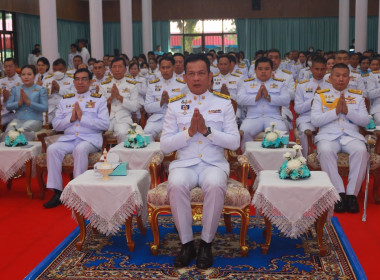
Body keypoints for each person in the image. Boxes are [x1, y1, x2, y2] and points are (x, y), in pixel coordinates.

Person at [160, 53, 240, 269]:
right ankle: (186, 243)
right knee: (175, 184)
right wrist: (188, 133)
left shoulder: (223, 103)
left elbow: (234, 142)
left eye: (201, 73)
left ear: (210, 76)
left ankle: (206, 243)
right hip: (185, 164)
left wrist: (207, 131)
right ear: (184, 77)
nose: (196, 79)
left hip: (213, 163)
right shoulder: (176, 104)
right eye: (192, 74)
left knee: (214, 185)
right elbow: (165, 145)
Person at [43, 68, 110, 208]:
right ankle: (57, 192)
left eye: (84, 79)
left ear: (90, 82)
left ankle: (78, 192)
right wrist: (71, 118)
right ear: (73, 82)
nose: (80, 82)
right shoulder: (66, 100)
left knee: (80, 149)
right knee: (53, 149)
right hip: (69, 139)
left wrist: (82, 117)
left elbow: (104, 124)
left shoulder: (98, 100)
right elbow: (56, 124)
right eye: (77, 79)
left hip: (89, 139)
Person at [311, 63, 370, 213]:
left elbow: (365, 121)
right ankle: (338, 193)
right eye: (337, 75)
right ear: (330, 78)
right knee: (325, 150)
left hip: (351, 136)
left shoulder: (357, 96)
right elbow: (315, 121)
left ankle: (351, 195)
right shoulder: (320, 95)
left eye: (344, 76)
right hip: (328, 136)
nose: (341, 79)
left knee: (361, 151)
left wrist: (347, 111)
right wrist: (335, 112)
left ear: (349, 78)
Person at [238, 57, 290, 149]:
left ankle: (280, 160)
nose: (263, 71)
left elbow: (286, 100)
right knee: (244, 130)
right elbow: (239, 99)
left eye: (267, 69)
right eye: (260, 69)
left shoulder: (280, 84)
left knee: (282, 130)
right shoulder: (246, 84)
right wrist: (256, 97)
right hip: (252, 118)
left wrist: (269, 97)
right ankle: (246, 160)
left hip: (273, 117)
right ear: (255, 70)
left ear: (271, 70)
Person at [144, 57, 187, 140]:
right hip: (158, 118)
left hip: (176, 118)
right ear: (159, 68)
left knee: (179, 134)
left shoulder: (182, 85)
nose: (165, 70)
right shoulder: (152, 85)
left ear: (173, 68)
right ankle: (152, 153)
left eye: (168, 67)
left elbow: (186, 106)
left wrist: (169, 102)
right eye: (163, 68)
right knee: (147, 132)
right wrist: (161, 103)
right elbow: (147, 108)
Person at [1, 65, 48, 141]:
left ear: (34, 76)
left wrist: (28, 102)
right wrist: (19, 103)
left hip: (35, 119)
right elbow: (8, 106)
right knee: (8, 131)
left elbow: (45, 107)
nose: (26, 77)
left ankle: (23, 150)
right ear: (20, 76)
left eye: (29, 74)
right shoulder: (15, 89)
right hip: (18, 119)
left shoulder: (40, 89)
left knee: (22, 130)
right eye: (23, 74)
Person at [99, 57, 139, 143]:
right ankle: (105, 155)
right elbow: (99, 106)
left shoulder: (132, 85)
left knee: (123, 133)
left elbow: (135, 107)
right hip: (107, 119)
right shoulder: (103, 85)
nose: (117, 69)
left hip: (123, 119)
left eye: (120, 67)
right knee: (98, 133)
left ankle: (122, 155)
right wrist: (111, 98)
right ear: (110, 70)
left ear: (125, 69)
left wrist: (119, 97)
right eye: (114, 67)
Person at [294, 56, 327, 157]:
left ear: (326, 70)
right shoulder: (302, 85)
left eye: (322, 69)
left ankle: (324, 158)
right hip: (307, 118)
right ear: (311, 69)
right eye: (317, 69)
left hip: (326, 119)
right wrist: (313, 101)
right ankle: (306, 160)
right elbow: (298, 109)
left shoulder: (331, 85)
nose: (319, 72)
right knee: (304, 132)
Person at [44, 59, 74, 123]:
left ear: (66, 69)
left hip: (64, 110)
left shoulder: (71, 80)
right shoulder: (47, 80)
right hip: (50, 111)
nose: (57, 72)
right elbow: (41, 95)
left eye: (60, 69)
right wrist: (50, 91)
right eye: (55, 69)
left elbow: (74, 94)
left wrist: (59, 89)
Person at [0, 58, 22, 126]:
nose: (8, 69)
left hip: (17, 113)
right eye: (5, 66)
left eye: (10, 66)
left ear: (16, 67)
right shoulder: (1, 81)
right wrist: (3, 99)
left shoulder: (22, 81)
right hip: (3, 113)